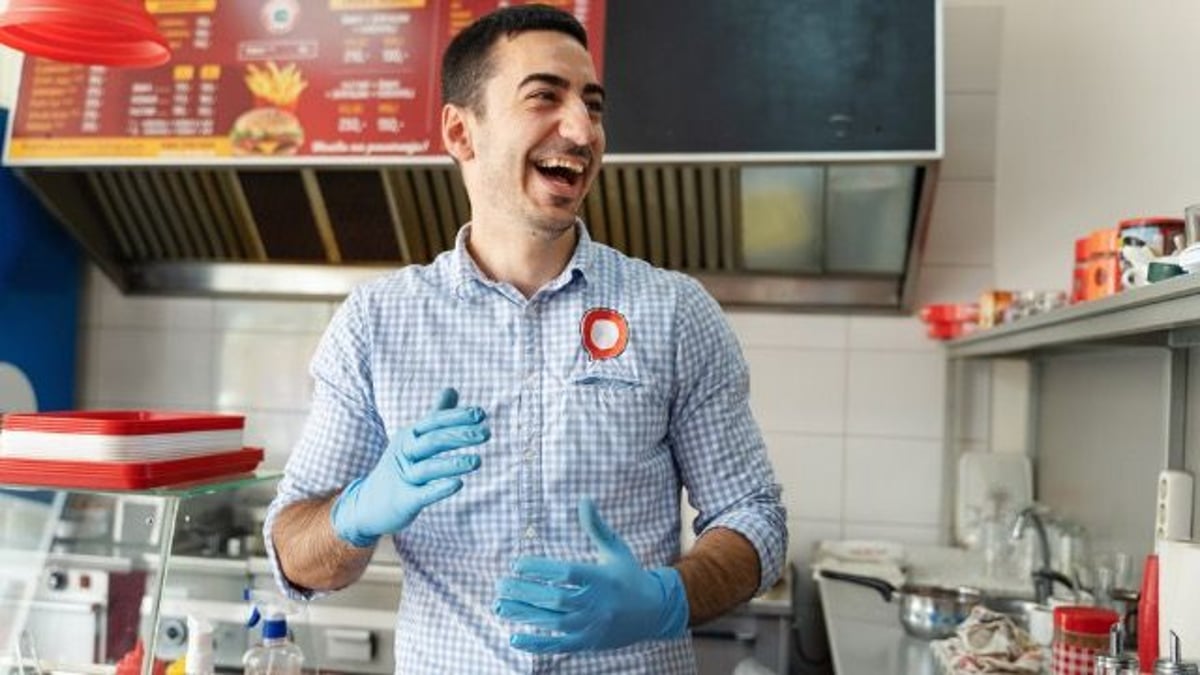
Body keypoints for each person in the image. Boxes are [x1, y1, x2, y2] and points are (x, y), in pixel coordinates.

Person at [264, 5, 787, 673]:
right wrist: (355, 513)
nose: (582, 129)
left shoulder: (675, 312)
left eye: (592, 106)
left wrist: (666, 596)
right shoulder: (376, 323)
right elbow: (294, 552)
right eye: (545, 96)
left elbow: (756, 519)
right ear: (461, 131)